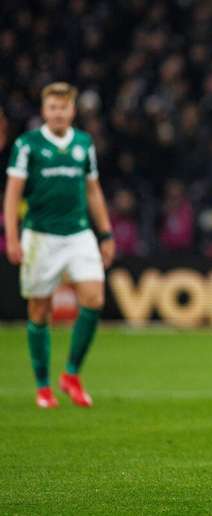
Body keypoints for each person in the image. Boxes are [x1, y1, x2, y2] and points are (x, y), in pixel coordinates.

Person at [3, 82, 115, 409]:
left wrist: (106, 233)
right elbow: (12, 194)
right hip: (40, 236)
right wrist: (12, 237)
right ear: (44, 111)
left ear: (72, 110)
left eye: (63, 108)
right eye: (52, 108)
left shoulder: (83, 143)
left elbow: (93, 190)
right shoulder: (27, 145)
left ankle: (71, 374)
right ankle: (43, 386)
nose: (58, 113)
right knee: (40, 311)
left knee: (94, 299)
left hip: (79, 234)